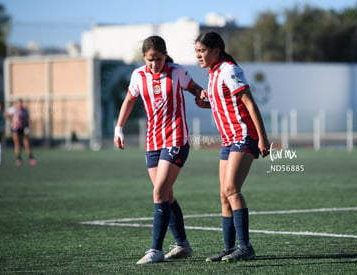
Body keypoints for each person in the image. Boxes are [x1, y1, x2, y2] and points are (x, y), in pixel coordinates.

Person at [113, 35, 208, 264]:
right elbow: (128, 100)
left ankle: (155, 249)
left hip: (176, 139)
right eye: (149, 59)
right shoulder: (138, 75)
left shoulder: (177, 72)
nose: (153, 64)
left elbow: (195, 88)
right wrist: (118, 128)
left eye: (157, 58)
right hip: (152, 143)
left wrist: (203, 97)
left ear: (165, 54)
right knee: (166, 194)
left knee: (158, 192)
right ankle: (183, 245)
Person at [195, 31, 271, 263]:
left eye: (202, 51)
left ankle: (245, 247)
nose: (198, 55)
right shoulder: (214, 72)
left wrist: (263, 138)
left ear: (216, 51)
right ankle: (229, 249)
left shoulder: (229, 70)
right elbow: (225, 104)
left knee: (231, 189)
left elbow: (249, 103)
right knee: (223, 194)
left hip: (244, 136)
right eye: (196, 51)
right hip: (228, 139)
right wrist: (205, 104)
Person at [6, 99, 36, 166]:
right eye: (18, 103)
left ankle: (30, 157)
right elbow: (6, 115)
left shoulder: (25, 110)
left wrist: (28, 126)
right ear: (16, 104)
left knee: (26, 143)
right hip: (15, 128)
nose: (19, 105)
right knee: (17, 143)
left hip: (23, 128)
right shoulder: (13, 109)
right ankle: (18, 158)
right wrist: (11, 121)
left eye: (20, 103)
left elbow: (28, 118)